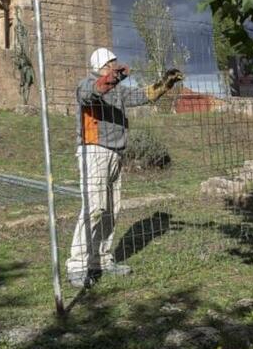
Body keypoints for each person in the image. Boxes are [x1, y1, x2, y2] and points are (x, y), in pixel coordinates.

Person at [66, 48, 183, 287]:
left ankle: (102, 260)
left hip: (115, 153)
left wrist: (164, 84)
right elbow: (90, 95)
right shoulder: (86, 84)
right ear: (101, 66)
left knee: (111, 210)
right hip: (94, 150)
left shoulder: (118, 90)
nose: (116, 66)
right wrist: (113, 78)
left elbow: (142, 96)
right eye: (111, 63)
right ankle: (77, 265)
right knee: (94, 208)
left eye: (115, 63)